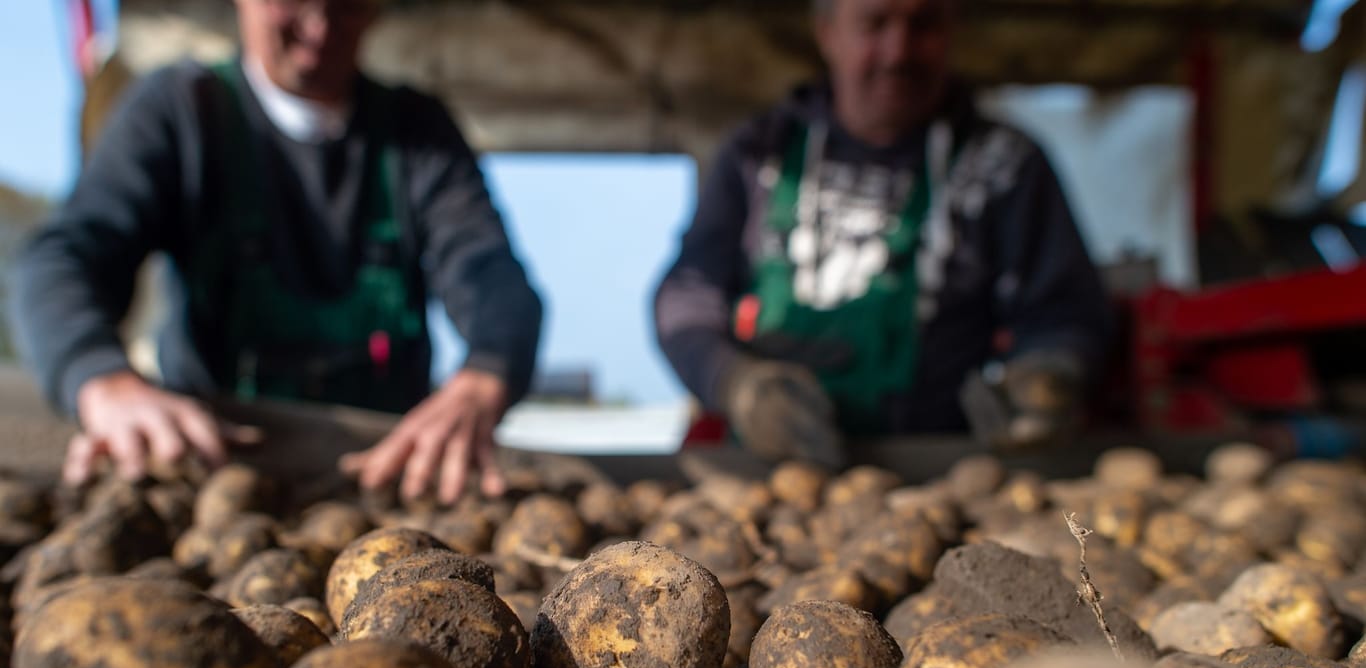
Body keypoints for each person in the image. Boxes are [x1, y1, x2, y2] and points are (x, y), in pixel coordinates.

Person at [10, 0, 543, 504]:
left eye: (345, 5)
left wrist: (486, 372)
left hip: (391, 477)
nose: (319, 27)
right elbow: (64, 258)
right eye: (296, 2)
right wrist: (102, 379)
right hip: (214, 472)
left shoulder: (417, 133)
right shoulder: (181, 111)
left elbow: (488, 270)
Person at [654, 0, 1110, 467]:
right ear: (828, 33)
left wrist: (1048, 373)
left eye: (923, 25)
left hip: (946, 470)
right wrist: (734, 382)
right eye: (875, 24)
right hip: (776, 471)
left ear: (952, 29)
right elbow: (686, 299)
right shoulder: (758, 156)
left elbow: (1064, 312)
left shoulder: (1005, 164)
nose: (898, 52)